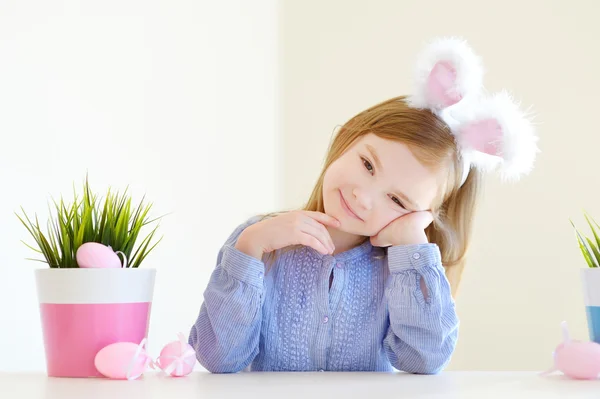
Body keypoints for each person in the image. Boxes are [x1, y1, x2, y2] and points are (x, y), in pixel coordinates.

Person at [187, 37, 539, 374]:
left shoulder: (400, 271)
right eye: (368, 165)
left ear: (423, 216)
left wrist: (413, 248)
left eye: (398, 200)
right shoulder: (259, 242)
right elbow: (218, 358)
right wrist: (250, 247)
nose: (363, 196)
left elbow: (424, 360)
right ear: (347, 138)